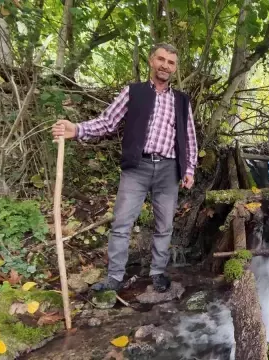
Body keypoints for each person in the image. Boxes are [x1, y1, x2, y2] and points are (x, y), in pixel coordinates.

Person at [51, 43, 197, 293]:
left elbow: (190, 137)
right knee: (122, 223)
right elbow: (108, 122)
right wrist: (77, 129)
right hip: (136, 167)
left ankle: (158, 272)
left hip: (168, 170)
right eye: (161, 59)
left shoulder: (182, 101)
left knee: (165, 226)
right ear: (152, 61)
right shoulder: (133, 92)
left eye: (171, 62)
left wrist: (190, 169)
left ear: (175, 68)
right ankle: (115, 277)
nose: (165, 65)